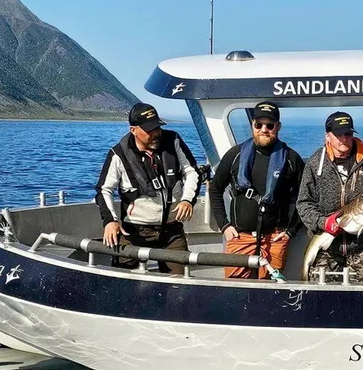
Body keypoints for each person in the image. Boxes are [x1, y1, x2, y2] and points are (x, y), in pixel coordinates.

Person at [95, 102, 200, 275]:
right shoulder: (117, 155)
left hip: (171, 230)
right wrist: (110, 221)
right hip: (134, 231)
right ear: (133, 130)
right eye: (149, 130)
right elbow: (104, 190)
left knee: (180, 284)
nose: (155, 133)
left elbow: (192, 171)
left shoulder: (173, 141)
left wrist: (187, 199)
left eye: (157, 128)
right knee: (124, 282)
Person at [208, 101, 305, 279]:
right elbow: (215, 188)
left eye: (270, 125)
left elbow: (304, 198)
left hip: (275, 238)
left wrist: (290, 231)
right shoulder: (234, 155)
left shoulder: (292, 159)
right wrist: (224, 225)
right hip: (240, 237)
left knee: (270, 292)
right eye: (258, 124)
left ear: (278, 127)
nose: (264, 129)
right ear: (252, 125)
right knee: (235, 290)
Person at [297, 111, 363, 283]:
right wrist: (323, 222)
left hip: (361, 244)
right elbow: (303, 203)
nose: (344, 138)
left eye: (348, 133)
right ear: (327, 136)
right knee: (320, 296)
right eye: (338, 134)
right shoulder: (315, 163)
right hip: (326, 246)